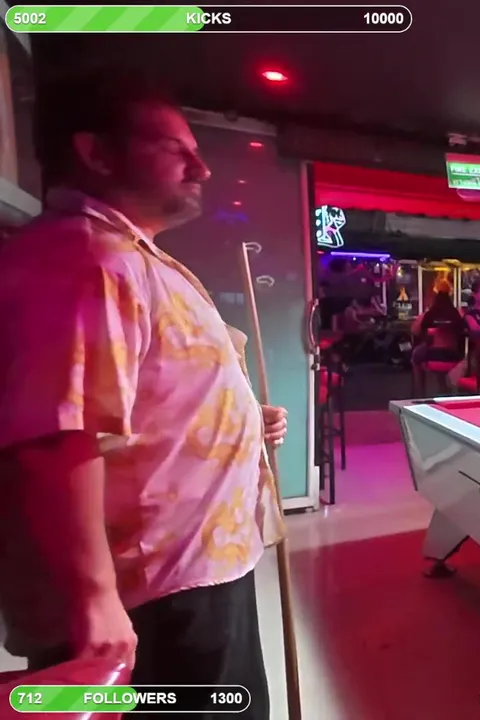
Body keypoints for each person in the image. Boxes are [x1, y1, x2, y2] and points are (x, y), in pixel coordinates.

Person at [0, 73, 286, 719]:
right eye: (177, 150)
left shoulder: (130, 253)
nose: (202, 169)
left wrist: (242, 418)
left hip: (185, 571)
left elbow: (143, 397)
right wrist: (94, 600)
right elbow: (54, 435)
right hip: (148, 595)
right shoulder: (87, 258)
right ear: (96, 153)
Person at [410, 291, 466, 391]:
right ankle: (446, 388)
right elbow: (463, 332)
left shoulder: (428, 315)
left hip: (432, 355)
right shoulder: (456, 315)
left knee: (415, 358)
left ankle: (419, 391)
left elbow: (415, 331)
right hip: (453, 356)